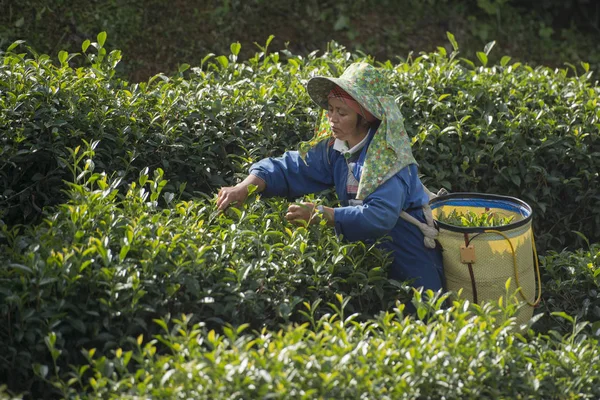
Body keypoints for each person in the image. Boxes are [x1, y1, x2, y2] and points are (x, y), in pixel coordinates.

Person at [217, 63, 444, 293]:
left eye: (342, 112)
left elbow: (380, 215)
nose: (332, 119)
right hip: (373, 261)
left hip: (411, 259)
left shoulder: (388, 158)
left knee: (425, 316)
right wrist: (245, 187)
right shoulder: (338, 150)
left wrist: (323, 214)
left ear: (364, 117)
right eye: (331, 110)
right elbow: (290, 167)